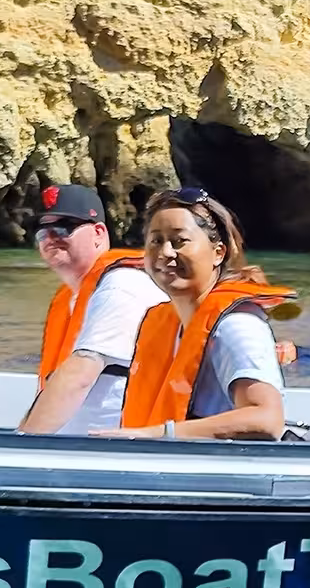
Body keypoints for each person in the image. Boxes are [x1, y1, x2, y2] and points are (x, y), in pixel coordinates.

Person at [93, 187, 298, 441]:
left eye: (179, 242)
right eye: (156, 241)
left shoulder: (236, 325)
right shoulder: (167, 322)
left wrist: (154, 435)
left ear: (218, 253)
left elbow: (266, 419)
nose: (165, 252)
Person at [16, 184, 168, 435]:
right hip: (73, 449)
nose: (51, 236)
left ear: (99, 233)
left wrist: (18, 447)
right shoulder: (72, 298)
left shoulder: (121, 285)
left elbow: (79, 377)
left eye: (64, 226)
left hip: (114, 453)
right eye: (42, 231)